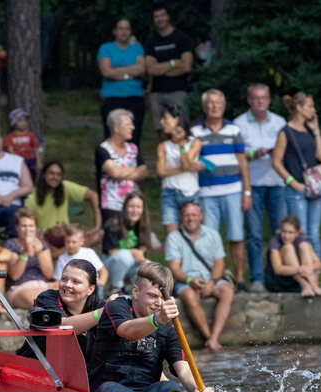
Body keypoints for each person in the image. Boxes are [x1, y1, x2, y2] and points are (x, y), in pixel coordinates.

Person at [86, 261, 215, 392]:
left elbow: (184, 370)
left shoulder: (170, 327)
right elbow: (127, 330)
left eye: (163, 298)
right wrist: (158, 319)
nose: (159, 303)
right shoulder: (117, 308)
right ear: (136, 292)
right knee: (112, 389)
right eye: (153, 296)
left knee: (167, 388)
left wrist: (200, 389)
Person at [191, 89, 251, 291]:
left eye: (218, 103)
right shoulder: (195, 132)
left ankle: (240, 279)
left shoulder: (233, 130)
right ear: (204, 106)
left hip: (233, 190)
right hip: (207, 193)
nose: (214, 106)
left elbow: (243, 163)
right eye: (210, 103)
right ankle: (214, 280)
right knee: (209, 239)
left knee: (236, 236)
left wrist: (247, 192)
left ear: (224, 107)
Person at [234, 84, 288, 293]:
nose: (259, 102)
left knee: (281, 233)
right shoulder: (239, 124)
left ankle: (279, 278)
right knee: (254, 234)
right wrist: (251, 155)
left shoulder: (279, 122)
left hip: (277, 183)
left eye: (263, 98)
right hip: (252, 184)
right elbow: (237, 154)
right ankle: (257, 278)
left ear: (269, 100)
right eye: (255, 98)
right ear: (249, 100)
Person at [164, 202, 234, 352]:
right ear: (181, 218)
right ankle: (209, 338)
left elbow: (219, 264)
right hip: (185, 281)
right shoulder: (174, 237)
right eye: (187, 215)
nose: (191, 218)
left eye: (194, 215)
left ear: (201, 216)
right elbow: (174, 268)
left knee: (227, 291)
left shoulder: (212, 235)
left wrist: (212, 282)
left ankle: (214, 338)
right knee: (189, 295)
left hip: (210, 279)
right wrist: (190, 281)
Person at [271, 92, 321, 259]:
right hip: (297, 189)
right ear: (299, 107)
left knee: (314, 233)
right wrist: (292, 182)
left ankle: (315, 273)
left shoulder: (309, 131)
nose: (313, 110)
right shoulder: (285, 132)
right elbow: (276, 161)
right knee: (301, 233)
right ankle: (304, 270)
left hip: (314, 188)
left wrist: (316, 131)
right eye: (310, 106)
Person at [17, 258, 104, 365]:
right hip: (36, 368)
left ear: (90, 289)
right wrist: (98, 315)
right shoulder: (47, 298)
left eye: (75, 281)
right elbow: (60, 327)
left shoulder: (99, 306)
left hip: (81, 373)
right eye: (64, 279)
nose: (67, 284)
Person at [25, 161, 102, 250]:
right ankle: (66, 250)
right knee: (37, 239)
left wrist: (97, 225)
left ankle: (60, 252)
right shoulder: (32, 196)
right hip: (45, 236)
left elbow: (93, 195)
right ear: (44, 175)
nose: (55, 177)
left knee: (96, 236)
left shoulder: (65, 187)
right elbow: (28, 224)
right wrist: (47, 230)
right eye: (51, 173)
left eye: (58, 174)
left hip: (66, 234)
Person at [144, 5, 195, 128]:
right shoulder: (151, 41)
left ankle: (182, 149)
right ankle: (164, 148)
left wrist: (160, 69)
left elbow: (186, 66)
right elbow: (150, 69)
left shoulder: (182, 38)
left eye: (162, 15)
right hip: (157, 93)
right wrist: (173, 63)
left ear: (168, 17)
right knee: (161, 129)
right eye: (156, 17)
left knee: (181, 128)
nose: (160, 19)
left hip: (178, 91)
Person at [97, 18, 146, 145]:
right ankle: (111, 162)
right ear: (115, 31)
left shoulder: (137, 48)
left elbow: (141, 69)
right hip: (112, 96)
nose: (124, 32)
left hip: (135, 96)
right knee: (112, 133)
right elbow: (106, 71)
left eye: (127, 29)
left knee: (134, 134)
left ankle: (133, 161)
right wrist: (128, 74)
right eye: (121, 28)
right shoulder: (105, 48)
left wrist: (117, 70)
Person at [156, 104, 202, 235]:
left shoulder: (194, 142)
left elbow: (185, 165)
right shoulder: (163, 145)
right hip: (169, 192)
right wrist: (187, 168)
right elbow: (161, 171)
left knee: (191, 235)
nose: (162, 122)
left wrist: (182, 145)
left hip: (190, 192)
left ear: (177, 119)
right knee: (172, 236)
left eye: (165, 118)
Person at [95, 109, 148, 224]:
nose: (133, 127)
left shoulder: (133, 148)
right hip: (112, 204)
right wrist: (135, 169)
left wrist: (122, 173)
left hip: (133, 204)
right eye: (128, 124)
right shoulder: (103, 150)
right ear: (116, 128)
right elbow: (114, 172)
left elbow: (144, 170)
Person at [4, 208, 56, 309]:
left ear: (35, 228)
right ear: (17, 228)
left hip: (43, 285)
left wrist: (40, 252)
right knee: (34, 299)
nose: (28, 229)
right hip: (20, 287)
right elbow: (15, 275)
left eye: (31, 226)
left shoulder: (42, 245)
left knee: (63, 286)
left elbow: (49, 274)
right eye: (24, 226)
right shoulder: (11, 244)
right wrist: (26, 252)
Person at [102, 192, 153, 294]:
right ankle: (115, 288)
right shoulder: (114, 223)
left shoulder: (143, 225)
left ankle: (140, 293)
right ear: (125, 207)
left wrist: (140, 255)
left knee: (148, 265)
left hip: (130, 265)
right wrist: (133, 252)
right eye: (131, 206)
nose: (135, 210)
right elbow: (112, 252)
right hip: (109, 267)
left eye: (138, 207)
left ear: (143, 209)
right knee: (124, 256)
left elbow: (143, 249)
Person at [265, 216, 321, 296]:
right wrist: (300, 269)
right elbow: (278, 269)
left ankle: (313, 286)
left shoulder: (301, 240)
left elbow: (319, 264)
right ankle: (305, 285)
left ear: (297, 233)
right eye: (284, 231)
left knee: (304, 246)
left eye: (290, 233)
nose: (286, 236)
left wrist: (310, 267)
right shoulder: (275, 241)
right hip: (277, 281)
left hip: (296, 279)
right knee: (288, 247)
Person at [53, 225, 107, 292]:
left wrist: (101, 282)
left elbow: (103, 271)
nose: (70, 245)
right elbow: (58, 280)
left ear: (81, 241)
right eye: (68, 242)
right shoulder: (62, 258)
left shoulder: (89, 253)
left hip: (92, 289)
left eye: (74, 242)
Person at [4, 109, 42, 176]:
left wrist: (38, 161)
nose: (24, 122)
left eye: (25, 120)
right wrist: (19, 161)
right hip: (17, 162)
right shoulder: (10, 137)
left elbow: (35, 148)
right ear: (14, 123)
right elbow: (10, 151)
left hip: (30, 161)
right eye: (20, 120)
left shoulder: (30, 135)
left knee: (32, 177)